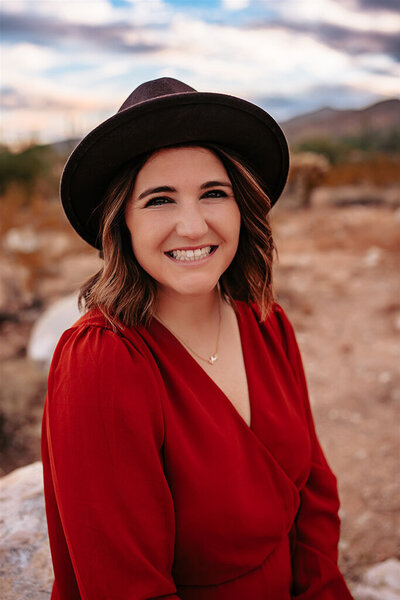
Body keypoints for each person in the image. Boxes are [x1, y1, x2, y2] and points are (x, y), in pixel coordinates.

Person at [41, 77, 354, 599]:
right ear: (122, 222)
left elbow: (315, 501)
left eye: (213, 193)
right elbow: (127, 587)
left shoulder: (267, 323)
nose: (192, 226)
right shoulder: (103, 361)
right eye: (160, 199)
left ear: (241, 208)